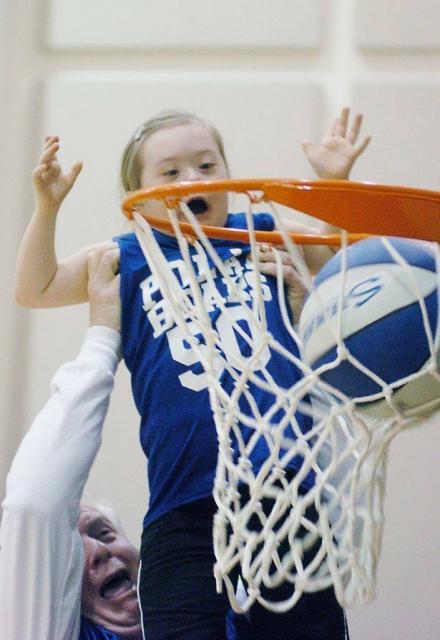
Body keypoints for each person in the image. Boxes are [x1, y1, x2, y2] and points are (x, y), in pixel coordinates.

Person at [14, 107, 370, 639]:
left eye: (206, 165)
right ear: (138, 196)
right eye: (172, 171)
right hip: (184, 504)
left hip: (287, 500)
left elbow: (337, 253)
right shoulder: (129, 257)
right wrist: (47, 207)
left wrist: (335, 184)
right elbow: (34, 289)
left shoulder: (263, 233)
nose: (193, 180)